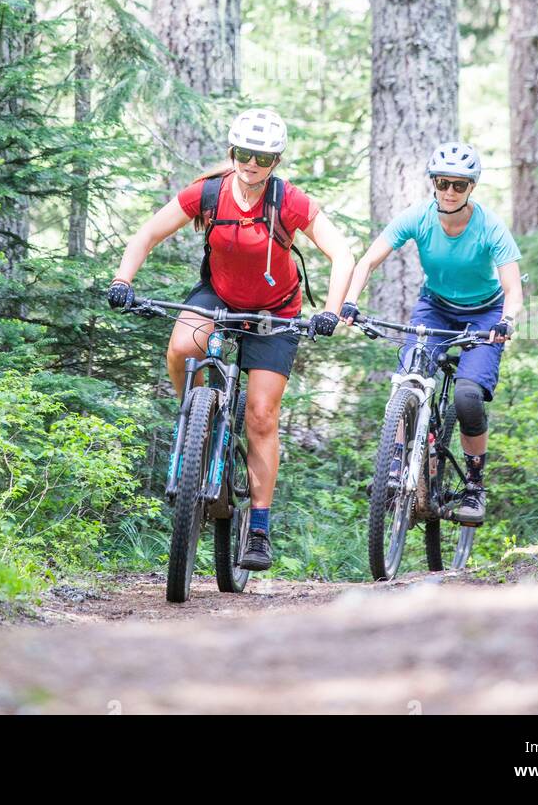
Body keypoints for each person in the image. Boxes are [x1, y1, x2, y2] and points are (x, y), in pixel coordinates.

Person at [108, 107, 354, 571]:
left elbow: (341, 253)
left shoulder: (289, 201)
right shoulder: (208, 193)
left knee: (261, 415)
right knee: (182, 347)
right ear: (231, 152)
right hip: (219, 295)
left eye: (262, 156)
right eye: (244, 153)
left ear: (275, 162)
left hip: (275, 310)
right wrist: (123, 281)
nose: (251, 164)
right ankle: (195, 418)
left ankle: (258, 526)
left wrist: (331, 310)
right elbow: (146, 234)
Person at [340, 141, 523, 524]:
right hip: (436, 307)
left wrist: (506, 322)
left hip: (485, 314)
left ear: (472, 187)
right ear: (433, 183)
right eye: (442, 183)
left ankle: (474, 486)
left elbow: (513, 289)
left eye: (459, 184)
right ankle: (393, 465)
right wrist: (350, 302)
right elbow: (369, 260)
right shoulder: (418, 217)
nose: (449, 191)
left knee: (469, 397)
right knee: (408, 379)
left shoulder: (489, 226)